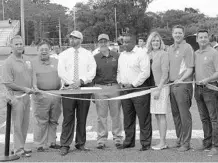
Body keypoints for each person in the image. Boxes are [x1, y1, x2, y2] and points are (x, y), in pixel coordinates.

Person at [58, 30, 96, 156]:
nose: (72, 40)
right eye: (71, 38)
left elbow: (92, 71)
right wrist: (72, 83)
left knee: (82, 117)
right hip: (69, 90)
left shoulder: (88, 54)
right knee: (68, 118)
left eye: (75, 38)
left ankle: (81, 143)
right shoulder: (63, 54)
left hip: (83, 89)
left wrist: (81, 81)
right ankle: (65, 144)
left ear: (81, 40)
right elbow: (61, 72)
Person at [2, 35, 36, 157]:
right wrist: (24, 89)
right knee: (17, 124)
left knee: (25, 123)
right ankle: (18, 149)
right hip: (16, 97)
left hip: (27, 96)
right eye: (16, 44)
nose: (19, 46)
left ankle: (20, 146)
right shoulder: (8, 62)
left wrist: (33, 86)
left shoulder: (27, 59)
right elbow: (7, 82)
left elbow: (32, 74)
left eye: (21, 43)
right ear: (11, 46)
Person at [117, 34, 152, 151]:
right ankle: (129, 141)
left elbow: (145, 72)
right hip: (125, 90)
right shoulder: (122, 55)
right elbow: (119, 71)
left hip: (139, 90)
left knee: (143, 118)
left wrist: (133, 84)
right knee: (128, 117)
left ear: (133, 42)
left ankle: (145, 143)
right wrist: (120, 81)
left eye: (127, 42)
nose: (124, 44)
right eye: (123, 42)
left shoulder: (142, 54)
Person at [31, 41, 62, 152]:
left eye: (46, 49)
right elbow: (31, 80)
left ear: (50, 50)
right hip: (41, 95)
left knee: (54, 120)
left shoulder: (57, 61)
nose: (44, 51)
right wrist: (36, 89)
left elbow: (62, 76)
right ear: (37, 51)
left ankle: (52, 142)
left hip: (56, 94)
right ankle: (39, 144)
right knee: (41, 121)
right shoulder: (32, 63)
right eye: (41, 49)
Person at [93, 34, 122, 149]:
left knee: (116, 115)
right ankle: (101, 139)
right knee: (101, 116)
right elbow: (92, 75)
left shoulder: (117, 55)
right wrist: (92, 92)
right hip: (100, 88)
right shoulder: (95, 57)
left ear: (109, 42)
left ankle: (118, 137)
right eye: (101, 41)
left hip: (114, 87)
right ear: (98, 43)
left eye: (105, 41)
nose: (103, 43)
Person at [168, 25, 194, 152]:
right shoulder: (170, 48)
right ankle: (180, 139)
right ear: (172, 34)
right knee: (176, 115)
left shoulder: (187, 47)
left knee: (184, 115)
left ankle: (186, 143)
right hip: (172, 84)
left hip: (183, 85)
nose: (177, 35)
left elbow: (190, 68)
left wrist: (181, 79)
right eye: (175, 33)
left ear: (183, 34)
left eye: (180, 33)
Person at [194, 29, 218, 156]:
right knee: (204, 118)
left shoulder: (214, 53)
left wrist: (207, 79)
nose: (203, 39)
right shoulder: (196, 53)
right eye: (200, 37)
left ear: (208, 38)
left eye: (205, 37)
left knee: (214, 118)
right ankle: (207, 143)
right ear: (197, 39)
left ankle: (216, 146)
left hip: (210, 88)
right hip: (198, 89)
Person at [146, 32, 169, 150]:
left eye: (157, 40)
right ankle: (162, 141)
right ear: (150, 42)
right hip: (152, 88)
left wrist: (159, 89)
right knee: (157, 115)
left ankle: (163, 142)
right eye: (153, 40)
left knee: (161, 114)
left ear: (161, 42)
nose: (155, 43)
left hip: (161, 87)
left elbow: (165, 74)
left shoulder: (163, 54)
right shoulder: (149, 54)